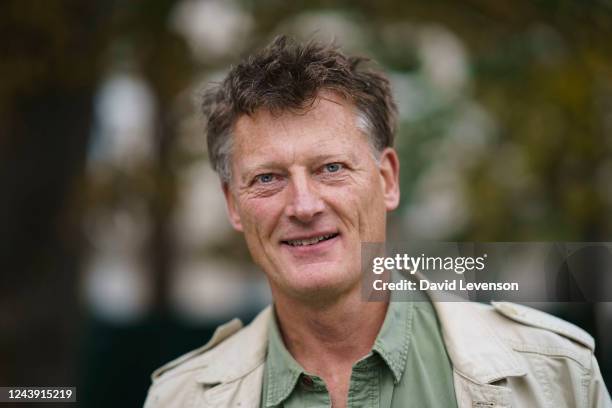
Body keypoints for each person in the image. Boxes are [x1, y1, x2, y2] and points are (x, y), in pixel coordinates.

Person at [144, 36, 611, 407]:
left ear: (387, 179)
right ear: (233, 204)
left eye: (331, 169)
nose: (304, 206)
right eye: (268, 178)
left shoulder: (556, 377)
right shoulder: (177, 400)